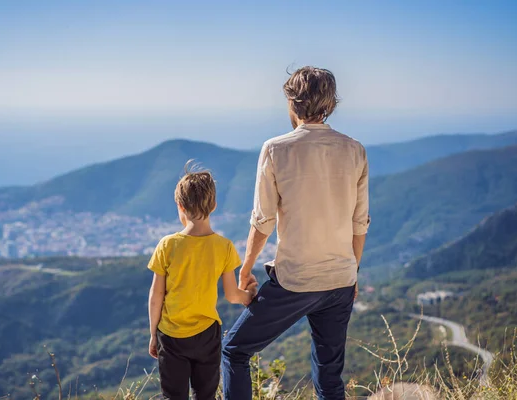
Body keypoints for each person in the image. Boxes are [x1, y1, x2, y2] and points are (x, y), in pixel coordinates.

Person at [222, 66, 371, 400]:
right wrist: (352, 271)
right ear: (329, 105)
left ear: (292, 103)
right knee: (330, 377)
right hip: (340, 279)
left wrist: (245, 270)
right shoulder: (355, 150)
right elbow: (359, 224)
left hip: (296, 280)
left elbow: (263, 221)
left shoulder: (276, 149)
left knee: (235, 350)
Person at [147, 164, 258, 400]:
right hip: (207, 335)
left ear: (180, 207)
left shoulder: (167, 245)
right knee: (205, 395)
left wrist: (153, 333)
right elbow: (231, 295)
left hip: (171, 333)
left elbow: (156, 296)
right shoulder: (224, 247)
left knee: (174, 396)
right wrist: (250, 295)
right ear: (214, 206)